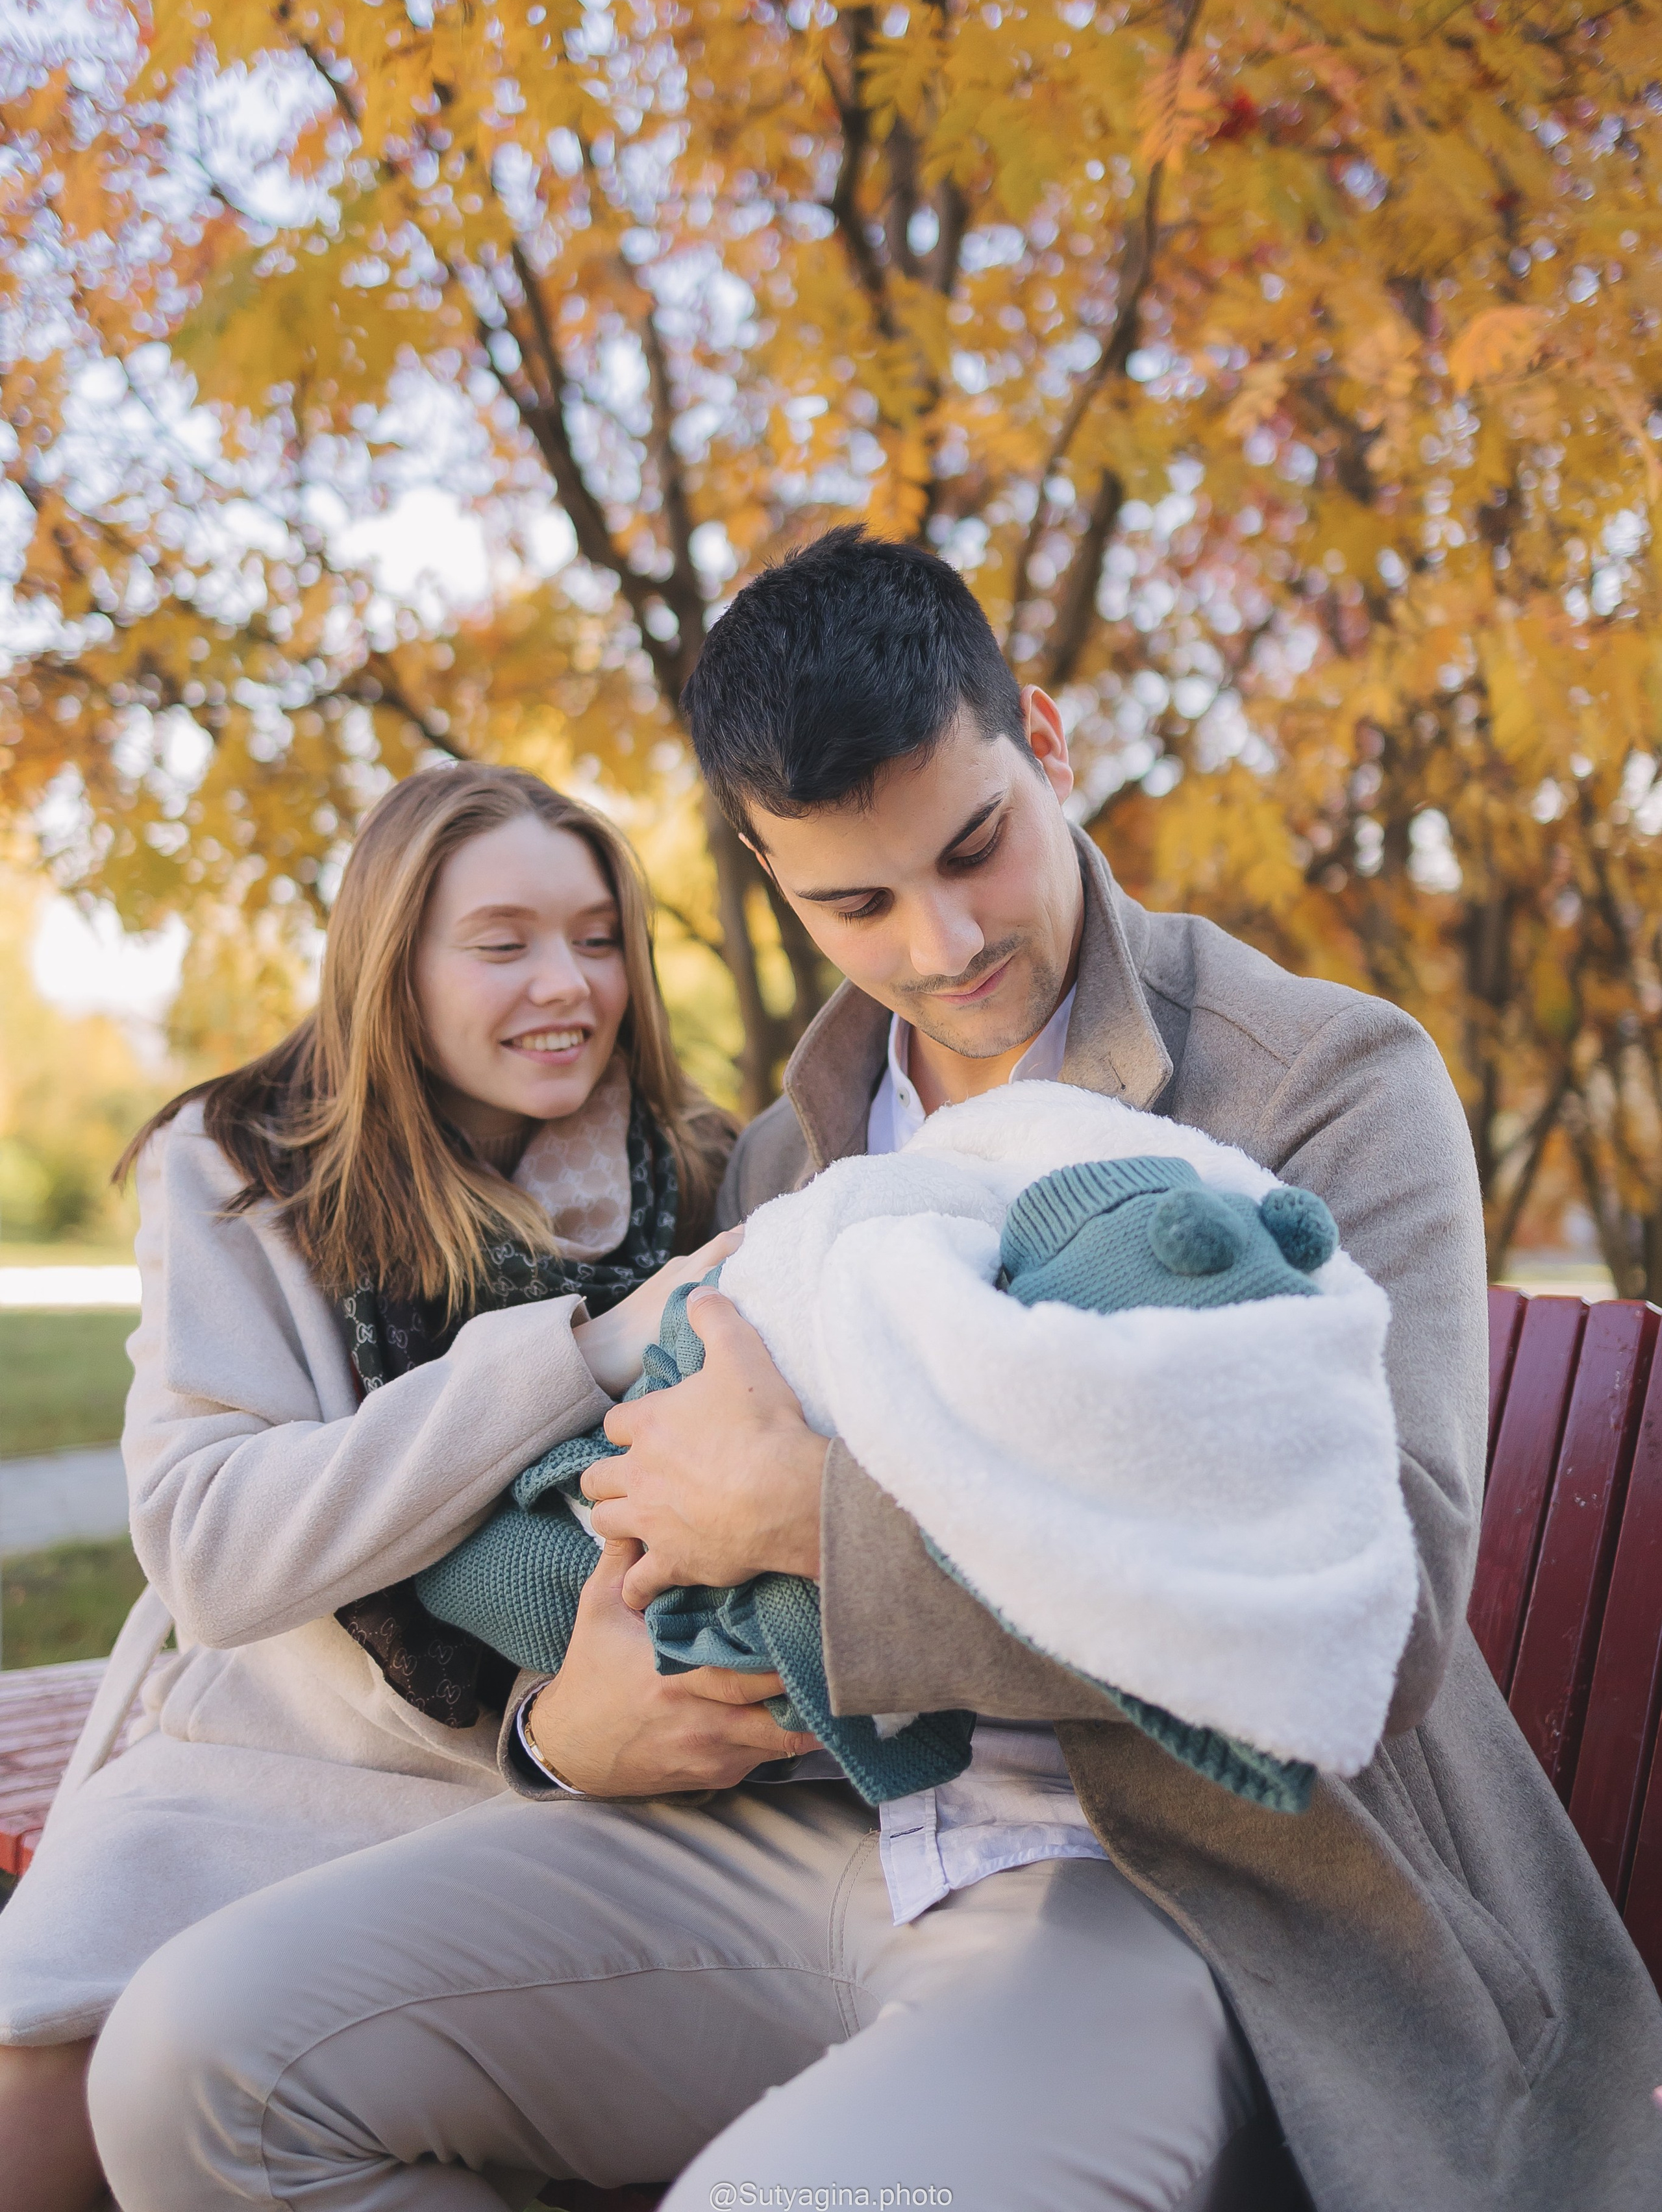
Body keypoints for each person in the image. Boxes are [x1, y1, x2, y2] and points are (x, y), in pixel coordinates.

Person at [87, 537, 1662, 2211]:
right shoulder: (782, 1157)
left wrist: (806, 1519)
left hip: (1180, 1877)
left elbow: (1379, 1628)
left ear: (1043, 745)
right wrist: (567, 1735)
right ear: (772, 879)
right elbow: (639, 1534)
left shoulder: (1317, 1085)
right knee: (199, 2060)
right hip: (821, 1828)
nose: (944, 941)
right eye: (856, 902)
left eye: (974, 846)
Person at [0, 762, 739, 2212]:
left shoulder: (702, 1174)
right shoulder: (244, 1168)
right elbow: (214, 1550)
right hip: (265, 1762)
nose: (568, 985)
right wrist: (577, 1354)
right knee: (33, 2100)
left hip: (565, 1792)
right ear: (392, 965)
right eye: (503, 940)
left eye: (597, 938)